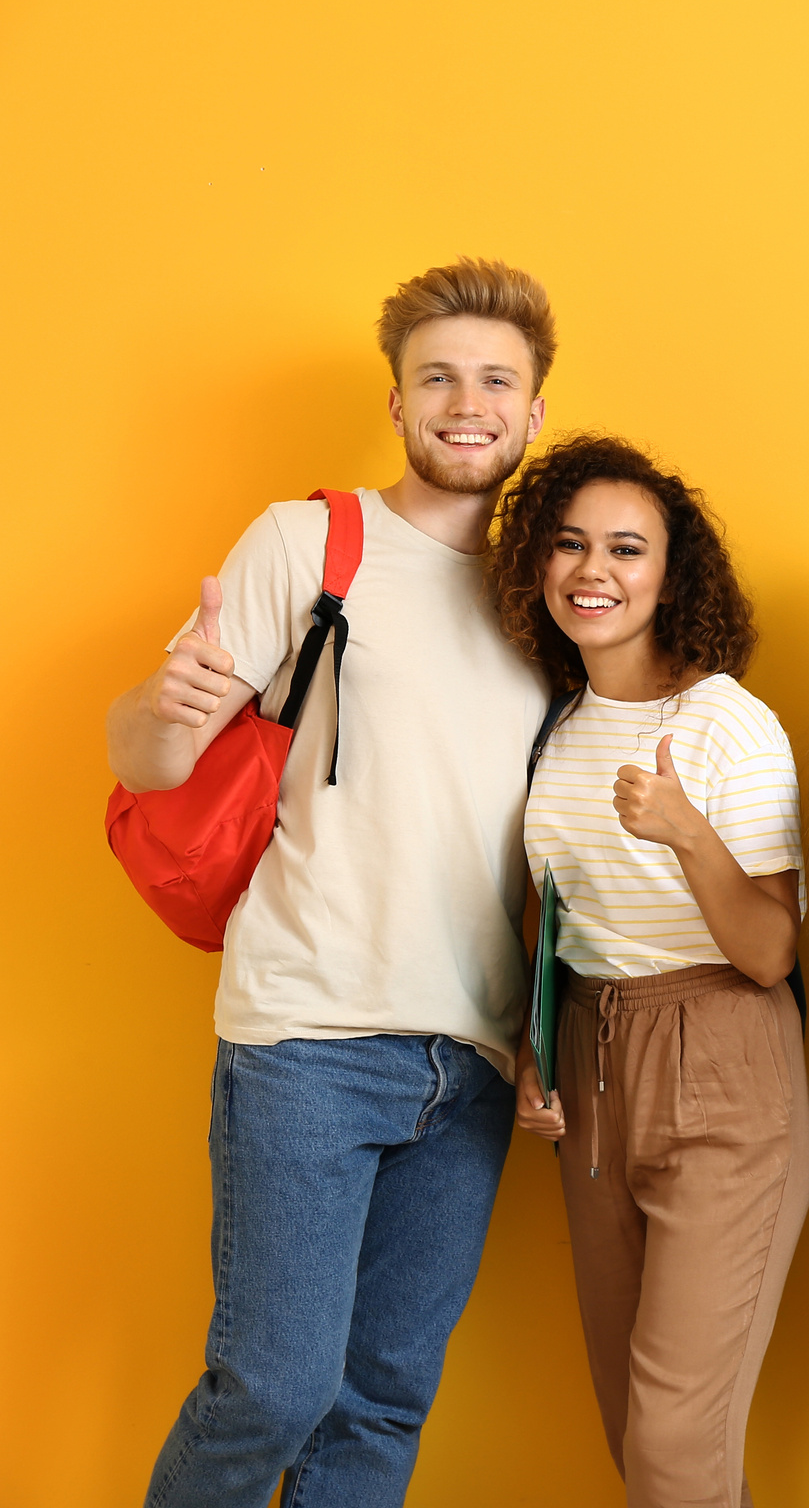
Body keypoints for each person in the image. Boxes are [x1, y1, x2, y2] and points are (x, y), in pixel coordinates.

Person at [108, 259, 557, 1506]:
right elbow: (145, 756)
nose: (466, 403)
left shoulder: (547, 597)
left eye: (495, 381)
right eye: (438, 378)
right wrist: (163, 708)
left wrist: (538, 1034)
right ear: (400, 401)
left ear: (533, 414)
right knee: (273, 1386)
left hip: (467, 1056)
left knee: (381, 1407)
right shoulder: (314, 541)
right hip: (309, 1033)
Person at [486, 434, 809, 1508]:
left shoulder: (725, 722)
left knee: (676, 1441)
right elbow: (554, 919)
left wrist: (686, 833)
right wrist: (535, 1057)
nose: (595, 570)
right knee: (643, 1437)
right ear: (539, 565)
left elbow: (770, 952)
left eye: (627, 549)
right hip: (594, 1068)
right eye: (571, 545)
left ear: (672, 577)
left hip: (724, 1064)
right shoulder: (558, 724)